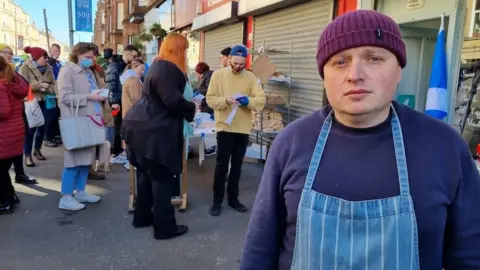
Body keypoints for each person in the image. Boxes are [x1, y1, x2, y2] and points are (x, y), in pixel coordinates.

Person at [240, 10, 480, 270]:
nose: (355, 74)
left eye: (374, 58)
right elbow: (259, 250)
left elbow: (470, 256)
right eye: (340, 62)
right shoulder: (290, 143)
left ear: (399, 70)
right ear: (324, 76)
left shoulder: (444, 147)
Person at [122, 33, 196, 240]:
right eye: (185, 49)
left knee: (146, 175)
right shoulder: (169, 68)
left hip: (139, 128)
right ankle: (165, 228)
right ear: (178, 49)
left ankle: (142, 217)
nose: (186, 53)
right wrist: (192, 108)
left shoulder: (158, 65)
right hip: (153, 132)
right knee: (163, 180)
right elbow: (172, 100)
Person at [206, 45, 266, 216]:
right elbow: (210, 100)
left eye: (242, 64)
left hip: (243, 128)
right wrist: (225, 100)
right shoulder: (218, 75)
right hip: (225, 126)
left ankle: (233, 199)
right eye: (235, 63)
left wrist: (249, 102)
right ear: (229, 59)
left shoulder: (251, 77)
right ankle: (217, 201)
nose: (238, 67)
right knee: (221, 166)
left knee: (237, 166)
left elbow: (260, 100)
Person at [56, 42, 105, 211]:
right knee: (73, 160)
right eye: (88, 57)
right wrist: (89, 97)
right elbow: (64, 97)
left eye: (92, 57)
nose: (91, 60)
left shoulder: (87, 71)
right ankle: (66, 196)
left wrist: (98, 95)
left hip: (89, 119)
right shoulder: (67, 70)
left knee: (86, 159)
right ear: (77, 54)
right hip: (77, 120)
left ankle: (81, 191)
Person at [0, 43, 36, 185]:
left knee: (15, 145)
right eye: (5, 52)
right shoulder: (14, 72)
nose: (8, 55)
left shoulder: (13, 73)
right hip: (14, 115)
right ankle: (18, 175)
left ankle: (19, 175)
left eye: (10, 53)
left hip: (14, 116)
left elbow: (24, 87)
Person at [0, 54, 29, 214]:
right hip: (13, 132)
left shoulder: (1, 85)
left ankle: (6, 201)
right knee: (3, 170)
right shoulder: (12, 80)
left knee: (1, 172)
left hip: (4, 134)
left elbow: (3, 112)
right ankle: (10, 197)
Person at [19, 46, 57, 167]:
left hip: (46, 100)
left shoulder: (49, 68)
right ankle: (27, 155)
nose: (46, 59)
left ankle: (37, 150)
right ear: (36, 57)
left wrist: (48, 88)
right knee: (31, 129)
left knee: (42, 126)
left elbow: (53, 85)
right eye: (43, 57)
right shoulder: (25, 67)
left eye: (46, 57)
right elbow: (23, 85)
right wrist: (39, 85)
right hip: (32, 101)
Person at [105, 45, 139, 164]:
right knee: (117, 127)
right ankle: (115, 153)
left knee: (121, 127)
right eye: (133, 56)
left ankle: (119, 152)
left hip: (123, 101)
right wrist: (114, 102)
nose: (135, 58)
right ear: (126, 53)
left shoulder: (124, 66)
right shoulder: (114, 66)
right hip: (117, 102)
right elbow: (110, 86)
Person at [120, 59, 145, 170]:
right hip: (135, 114)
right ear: (135, 67)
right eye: (141, 69)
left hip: (128, 113)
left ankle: (129, 161)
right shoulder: (134, 80)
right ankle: (132, 162)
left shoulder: (127, 78)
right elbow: (137, 99)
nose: (143, 72)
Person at [195, 62, 216, 156]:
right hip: (205, 106)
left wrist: (197, 92)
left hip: (209, 106)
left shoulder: (209, 76)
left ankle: (211, 148)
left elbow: (208, 90)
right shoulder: (206, 76)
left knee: (209, 127)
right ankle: (209, 147)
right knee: (207, 127)